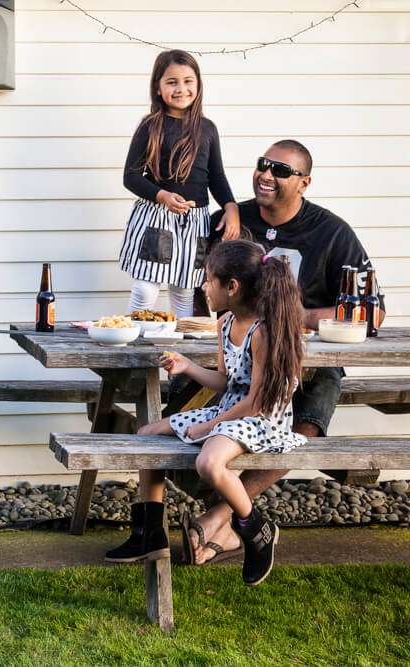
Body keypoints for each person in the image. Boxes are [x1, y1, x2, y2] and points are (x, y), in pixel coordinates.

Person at [183, 139, 386, 565]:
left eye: (280, 170)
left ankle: (219, 519)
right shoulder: (230, 220)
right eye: (263, 165)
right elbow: (201, 292)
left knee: (304, 424)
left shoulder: (332, 232)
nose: (266, 175)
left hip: (305, 361)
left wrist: (294, 317)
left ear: (304, 183)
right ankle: (217, 519)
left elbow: (373, 313)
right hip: (236, 356)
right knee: (178, 401)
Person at [106, 240, 306, 586]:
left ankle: (255, 530)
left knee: (209, 463)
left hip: (262, 419)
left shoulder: (263, 332)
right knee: (146, 435)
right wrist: (188, 366)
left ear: (232, 287)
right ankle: (151, 533)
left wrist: (209, 425)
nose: (203, 287)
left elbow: (256, 402)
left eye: (209, 280)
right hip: (232, 411)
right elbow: (226, 382)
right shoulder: (225, 322)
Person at [118, 49, 240, 319]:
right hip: (158, 219)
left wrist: (231, 207)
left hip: (195, 222)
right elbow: (131, 176)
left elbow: (217, 177)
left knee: (184, 291)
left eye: (188, 81)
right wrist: (162, 195)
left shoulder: (207, 129)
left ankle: (183, 345)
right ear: (158, 87)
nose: (181, 89)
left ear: (198, 84)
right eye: (171, 82)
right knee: (146, 288)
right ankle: (133, 341)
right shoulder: (150, 126)